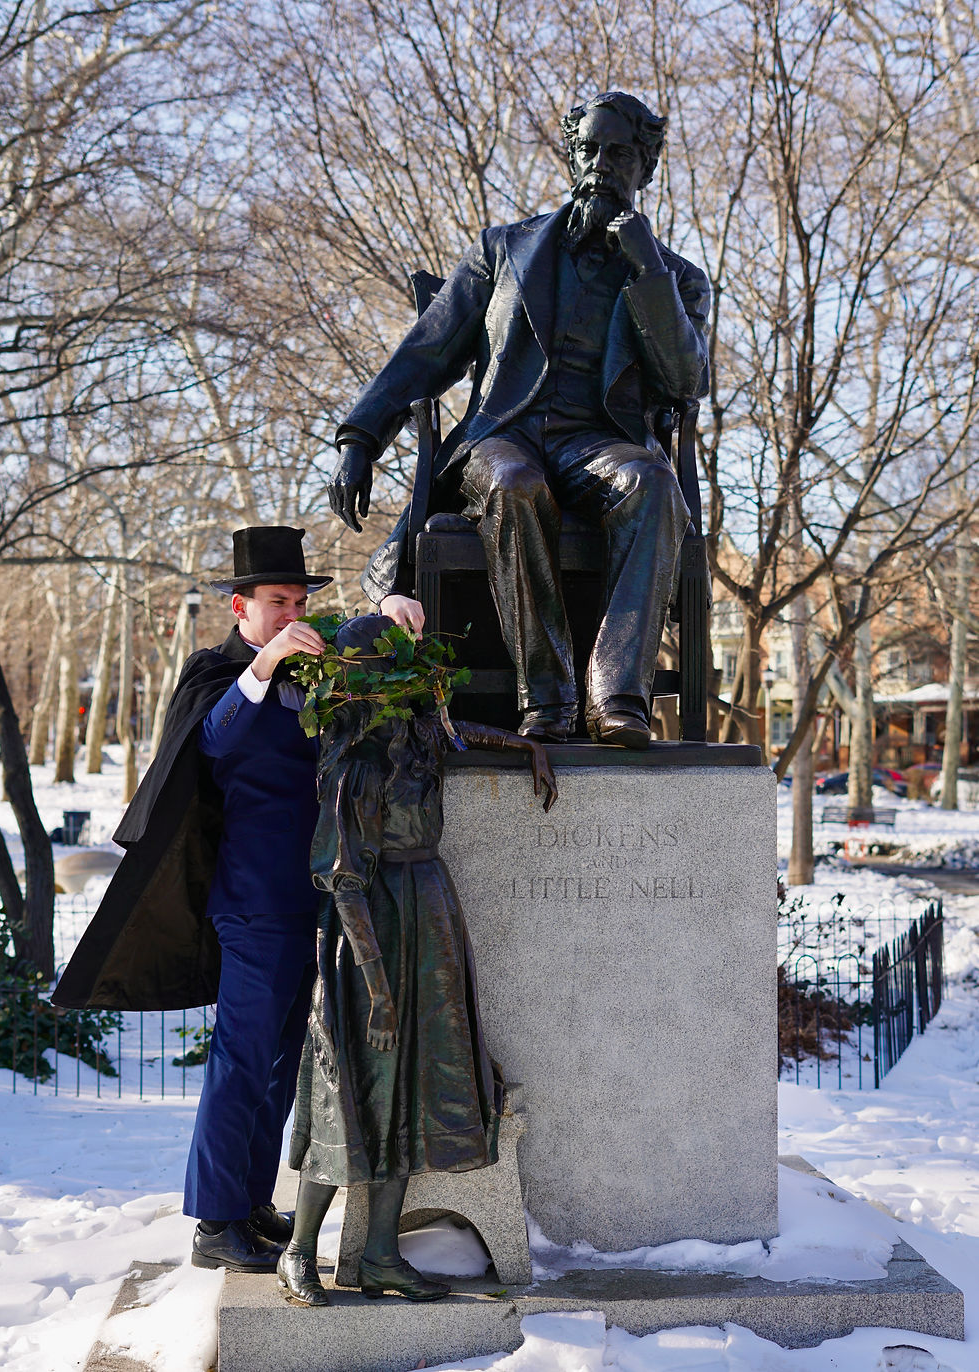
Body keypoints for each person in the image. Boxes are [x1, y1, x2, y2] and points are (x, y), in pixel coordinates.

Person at [53, 527, 424, 1273]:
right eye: (278, 601)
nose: (293, 613)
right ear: (240, 606)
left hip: (313, 898)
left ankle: (250, 1203)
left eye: (300, 602)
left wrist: (389, 611)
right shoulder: (219, 672)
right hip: (252, 901)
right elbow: (215, 743)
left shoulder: (318, 673)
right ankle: (214, 1224)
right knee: (242, 1061)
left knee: (282, 1066)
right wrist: (266, 661)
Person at [327, 91, 710, 750]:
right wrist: (361, 438)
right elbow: (427, 352)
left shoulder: (677, 278)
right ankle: (548, 698)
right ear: (571, 156)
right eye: (588, 150)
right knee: (512, 483)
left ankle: (618, 697)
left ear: (645, 168)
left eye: (619, 154)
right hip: (502, 434)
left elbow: (684, 381)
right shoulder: (502, 250)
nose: (600, 165)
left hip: (598, 443)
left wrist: (647, 268)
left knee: (652, 482)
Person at [274, 614, 557, 1306]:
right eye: (396, 680)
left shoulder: (419, 736)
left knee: (413, 1088)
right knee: (351, 1092)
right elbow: (343, 886)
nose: (414, 694)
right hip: (370, 934)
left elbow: (462, 732)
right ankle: (299, 1251)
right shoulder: (354, 766)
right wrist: (377, 992)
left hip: (429, 914)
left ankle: (380, 1254)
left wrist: (527, 746)